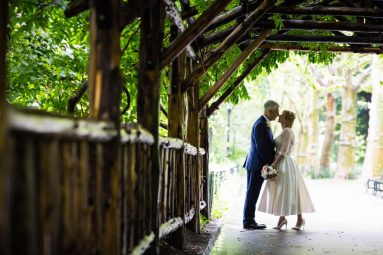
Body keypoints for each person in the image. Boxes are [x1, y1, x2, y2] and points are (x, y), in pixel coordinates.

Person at [258, 110, 315, 230]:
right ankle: (282, 218)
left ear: (287, 119)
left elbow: (283, 151)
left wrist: (273, 165)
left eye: (282, 115)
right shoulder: (284, 131)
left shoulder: (287, 132)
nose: (279, 115)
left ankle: (300, 219)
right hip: (280, 162)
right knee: (282, 191)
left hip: (285, 164)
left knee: (291, 191)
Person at [243, 100, 279, 230]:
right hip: (257, 165)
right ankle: (248, 221)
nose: (278, 114)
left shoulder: (263, 123)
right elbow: (261, 148)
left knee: (252, 193)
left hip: (257, 164)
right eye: (276, 111)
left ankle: (249, 220)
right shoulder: (260, 124)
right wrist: (269, 165)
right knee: (252, 193)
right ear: (270, 111)